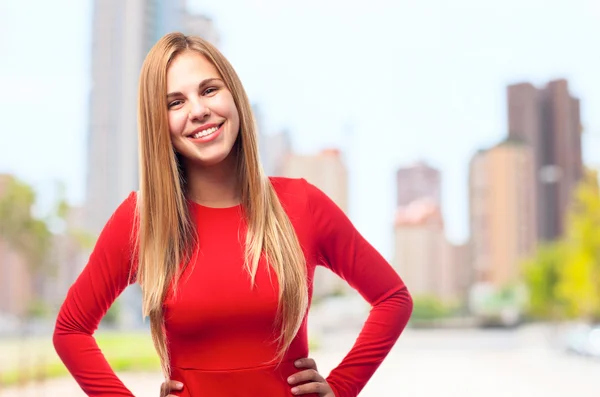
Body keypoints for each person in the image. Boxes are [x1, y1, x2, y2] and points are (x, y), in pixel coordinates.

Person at [53, 32, 413, 397]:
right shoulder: (141, 221)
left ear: (235, 96)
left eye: (209, 90)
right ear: (158, 123)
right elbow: (70, 330)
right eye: (175, 102)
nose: (198, 110)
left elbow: (393, 298)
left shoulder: (302, 204)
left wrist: (342, 386)